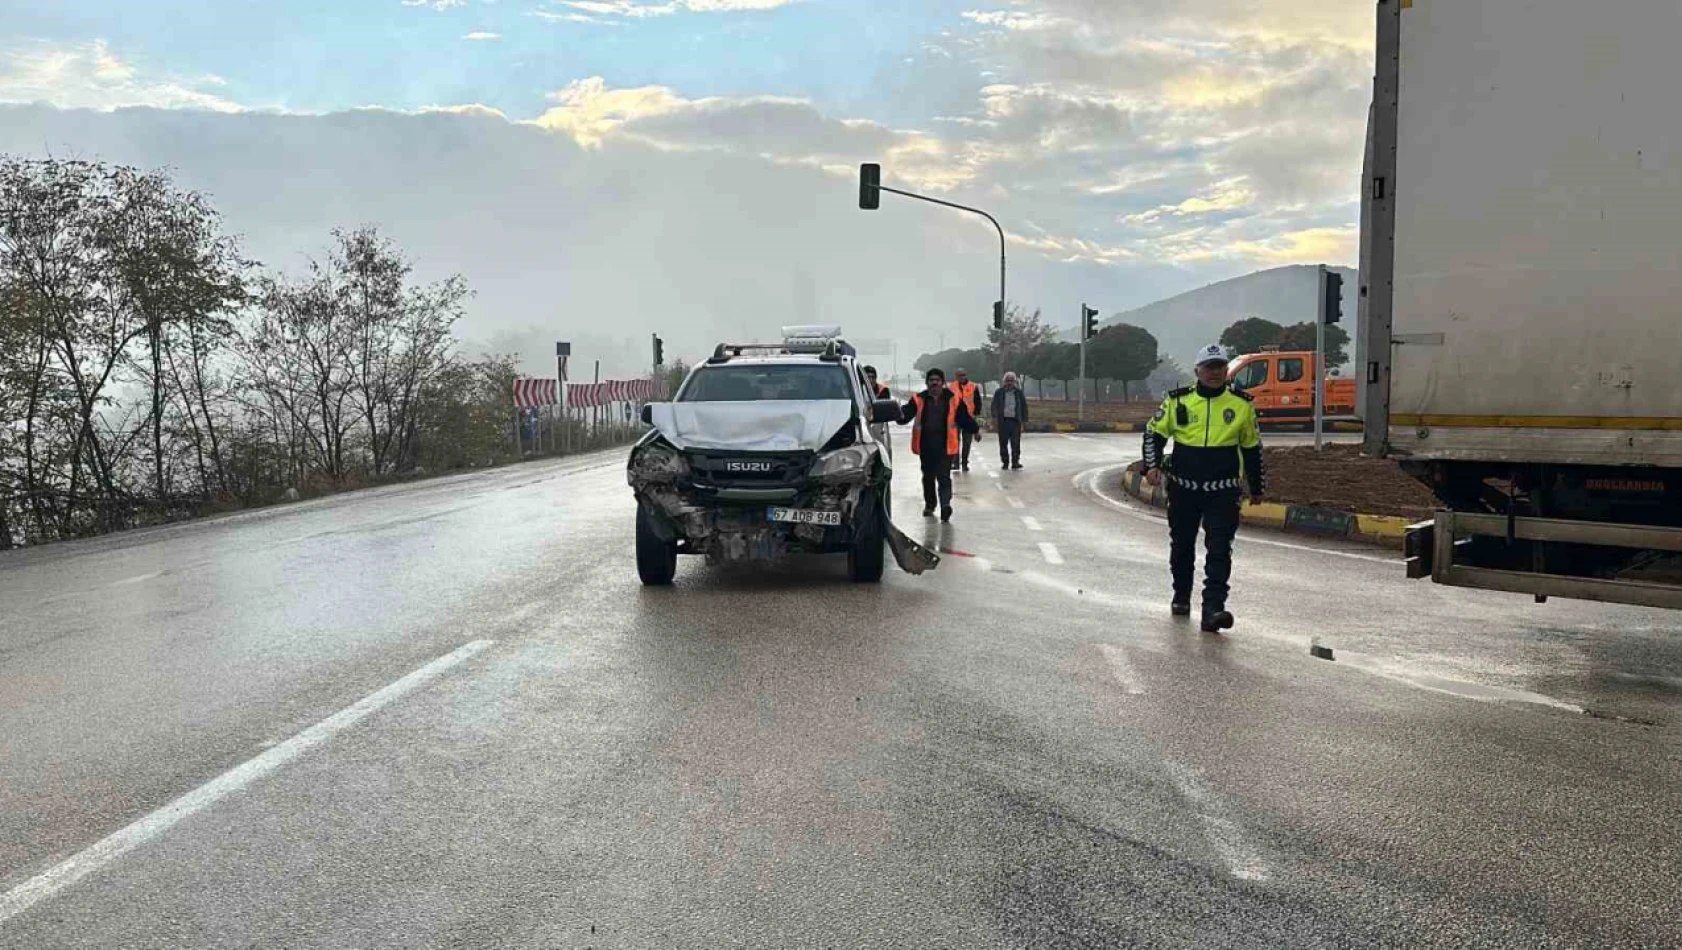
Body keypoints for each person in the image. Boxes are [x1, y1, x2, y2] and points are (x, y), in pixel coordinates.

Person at [1142, 344, 1266, 633]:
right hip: (1183, 489)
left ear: (1226, 370)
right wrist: (1152, 466)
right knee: (1182, 545)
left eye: (1220, 367)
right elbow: (1154, 433)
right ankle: (1181, 596)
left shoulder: (1241, 405)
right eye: (1209, 367)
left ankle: (1213, 609)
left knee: (1220, 548)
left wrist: (1257, 486)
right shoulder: (1178, 402)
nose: (1215, 372)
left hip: (1223, 491)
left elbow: (1252, 448)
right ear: (1197, 370)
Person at [897, 368, 975, 523]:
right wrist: (895, 414)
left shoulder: (953, 399)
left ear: (942, 383)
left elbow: (964, 418)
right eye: (931, 380)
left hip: (946, 446)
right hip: (926, 446)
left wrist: (975, 430)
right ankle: (930, 505)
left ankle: (945, 505)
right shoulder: (918, 399)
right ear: (927, 383)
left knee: (944, 477)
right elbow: (904, 415)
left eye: (937, 380)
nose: (934, 383)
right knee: (928, 477)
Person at [947, 368, 983, 472]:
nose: (962, 377)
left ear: (966, 375)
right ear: (956, 376)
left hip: (969, 418)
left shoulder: (973, 386)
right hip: (955, 418)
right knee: (955, 442)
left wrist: (977, 421)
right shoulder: (951, 387)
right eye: (960, 375)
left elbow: (978, 403)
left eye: (964, 375)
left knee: (967, 442)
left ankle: (964, 463)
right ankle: (956, 463)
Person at [991, 371, 1028, 470]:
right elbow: (994, 405)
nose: (1009, 383)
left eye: (1011, 381)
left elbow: (1024, 407)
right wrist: (994, 418)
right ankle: (1005, 462)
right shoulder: (999, 392)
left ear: (1015, 382)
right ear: (1004, 382)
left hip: (1015, 421)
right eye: (1007, 381)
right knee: (1003, 443)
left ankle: (1015, 462)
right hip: (1003, 421)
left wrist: (1024, 421)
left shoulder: (1019, 393)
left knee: (1015, 443)